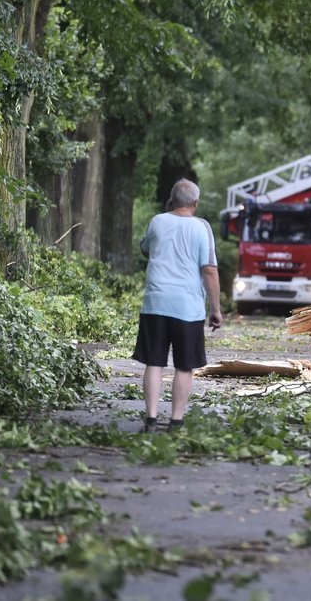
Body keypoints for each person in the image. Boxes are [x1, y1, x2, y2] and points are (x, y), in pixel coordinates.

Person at [132, 178, 223, 432]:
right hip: (188, 308)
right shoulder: (202, 227)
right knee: (184, 366)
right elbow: (210, 270)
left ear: (171, 201)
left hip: (155, 304)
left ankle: (150, 419)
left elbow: (145, 249)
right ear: (196, 202)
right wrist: (215, 309)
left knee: (154, 363)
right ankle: (176, 421)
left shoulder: (157, 221)